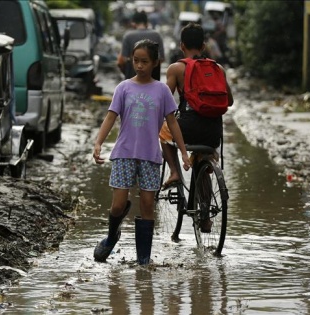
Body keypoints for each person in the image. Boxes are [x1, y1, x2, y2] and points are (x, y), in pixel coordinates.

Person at [93, 39, 191, 265]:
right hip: (124, 153)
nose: (139, 66)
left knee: (147, 205)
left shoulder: (162, 90)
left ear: (156, 62)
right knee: (118, 205)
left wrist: (184, 152)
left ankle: (143, 261)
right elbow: (110, 116)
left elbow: (172, 124)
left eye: (144, 62)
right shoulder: (123, 88)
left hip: (150, 156)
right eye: (136, 61)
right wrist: (98, 143)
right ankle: (111, 237)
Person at [158, 23, 234, 228]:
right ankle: (206, 218)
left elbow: (165, 102)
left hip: (187, 128)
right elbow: (230, 101)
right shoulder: (218, 68)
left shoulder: (176, 68)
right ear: (203, 46)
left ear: (182, 46)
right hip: (213, 131)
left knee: (162, 132)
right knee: (202, 163)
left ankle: (174, 172)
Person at [117, 11, 165, 81]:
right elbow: (162, 59)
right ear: (147, 23)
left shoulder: (128, 36)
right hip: (153, 80)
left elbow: (121, 61)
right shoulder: (156, 35)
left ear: (133, 23)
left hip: (132, 81)